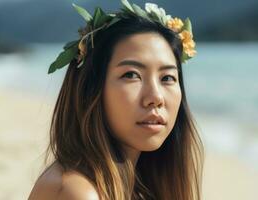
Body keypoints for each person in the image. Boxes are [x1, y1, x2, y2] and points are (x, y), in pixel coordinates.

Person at [28, 0, 204, 199]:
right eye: (131, 75)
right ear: (90, 88)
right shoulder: (76, 192)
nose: (155, 97)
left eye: (167, 78)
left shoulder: (136, 187)